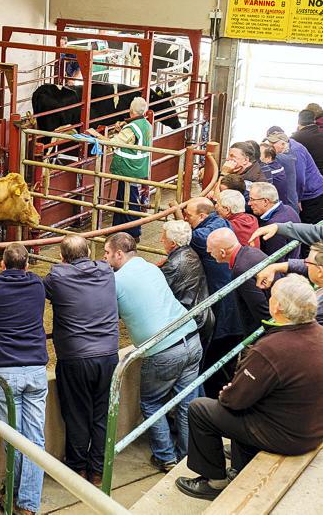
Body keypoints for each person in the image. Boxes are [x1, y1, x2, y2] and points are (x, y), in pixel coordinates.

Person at [175, 275, 323, 500]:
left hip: (287, 435)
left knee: (200, 409)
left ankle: (214, 481)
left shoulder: (270, 349)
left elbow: (235, 400)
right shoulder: (318, 334)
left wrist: (228, 391)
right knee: (248, 401)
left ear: (278, 308)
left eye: (272, 296)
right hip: (311, 426)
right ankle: (239, 463)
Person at [104, 233, 202, 472]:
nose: (104, 258)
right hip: (190, 336)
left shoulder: (115, 282)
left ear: (119, 253)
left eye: (107, 253)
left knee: (151, 402)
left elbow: (109, 315)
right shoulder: (152, 268)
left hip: (162, 349)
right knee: (186, 401)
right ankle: (187, 456)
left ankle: (165, 456)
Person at [0, 243, 48, 509]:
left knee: (13, 437)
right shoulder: (38, 285)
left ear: (2, 265)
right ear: (28, 266)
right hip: (36, 370)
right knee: (35, 437)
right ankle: (28, 502)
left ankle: (12, 494)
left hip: (5, 370)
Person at [43, 235, 118, 487]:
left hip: (75, 356)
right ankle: (97, 470)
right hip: (108, 354)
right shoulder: (106, 272)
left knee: (76, 414)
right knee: (100, 413)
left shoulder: (56, 277)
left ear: (62, 258)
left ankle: (77, 468)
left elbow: (44, 287)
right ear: (89, 251)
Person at [174, 197, 241, 395]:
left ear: (203, 216)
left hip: (222, 311)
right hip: (233, 306)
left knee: (213, 362)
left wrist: (177, 215)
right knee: (227, 360)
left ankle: (212, 402)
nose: (187, 218)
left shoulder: (202, 237)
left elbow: (187, 236)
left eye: (189, 215)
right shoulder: (222, 223)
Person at [86, 96, 152, 241]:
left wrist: (96, 136)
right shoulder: (146, 124)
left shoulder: (131, 128)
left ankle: (134, 232)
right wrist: (120, 130)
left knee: (129, 199)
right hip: (139, 167)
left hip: (128, 168)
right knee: (123, 198)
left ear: (131, 111)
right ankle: (118, 229)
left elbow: (114, 143)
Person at [207, 228, 271, 337]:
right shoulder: (252, 251)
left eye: (210, 251)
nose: (209, 253)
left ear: (222, 252)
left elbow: (260, 309)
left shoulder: (240, 270)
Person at [160, 221, 214, 342]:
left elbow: (158, 291)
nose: (161, 240)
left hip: (192, 323)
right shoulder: (191, 252)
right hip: (203, 316)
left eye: (163, 237)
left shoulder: (172, 265)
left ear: (173, 243)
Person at [266, 131, 323, 224]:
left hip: (313, 193)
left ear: (283, 144)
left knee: (310, 224)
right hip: (307, 191)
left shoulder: (296, 152)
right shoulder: (288, 146)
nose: (270, 148)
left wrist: (298, 199)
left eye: (273, 145)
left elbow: (300, 179)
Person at [247, 182, 301, 261]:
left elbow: (274, 261)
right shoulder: (289, 209)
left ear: (265, 201)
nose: (249, 203)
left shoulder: (272, 227)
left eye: (252, 199)